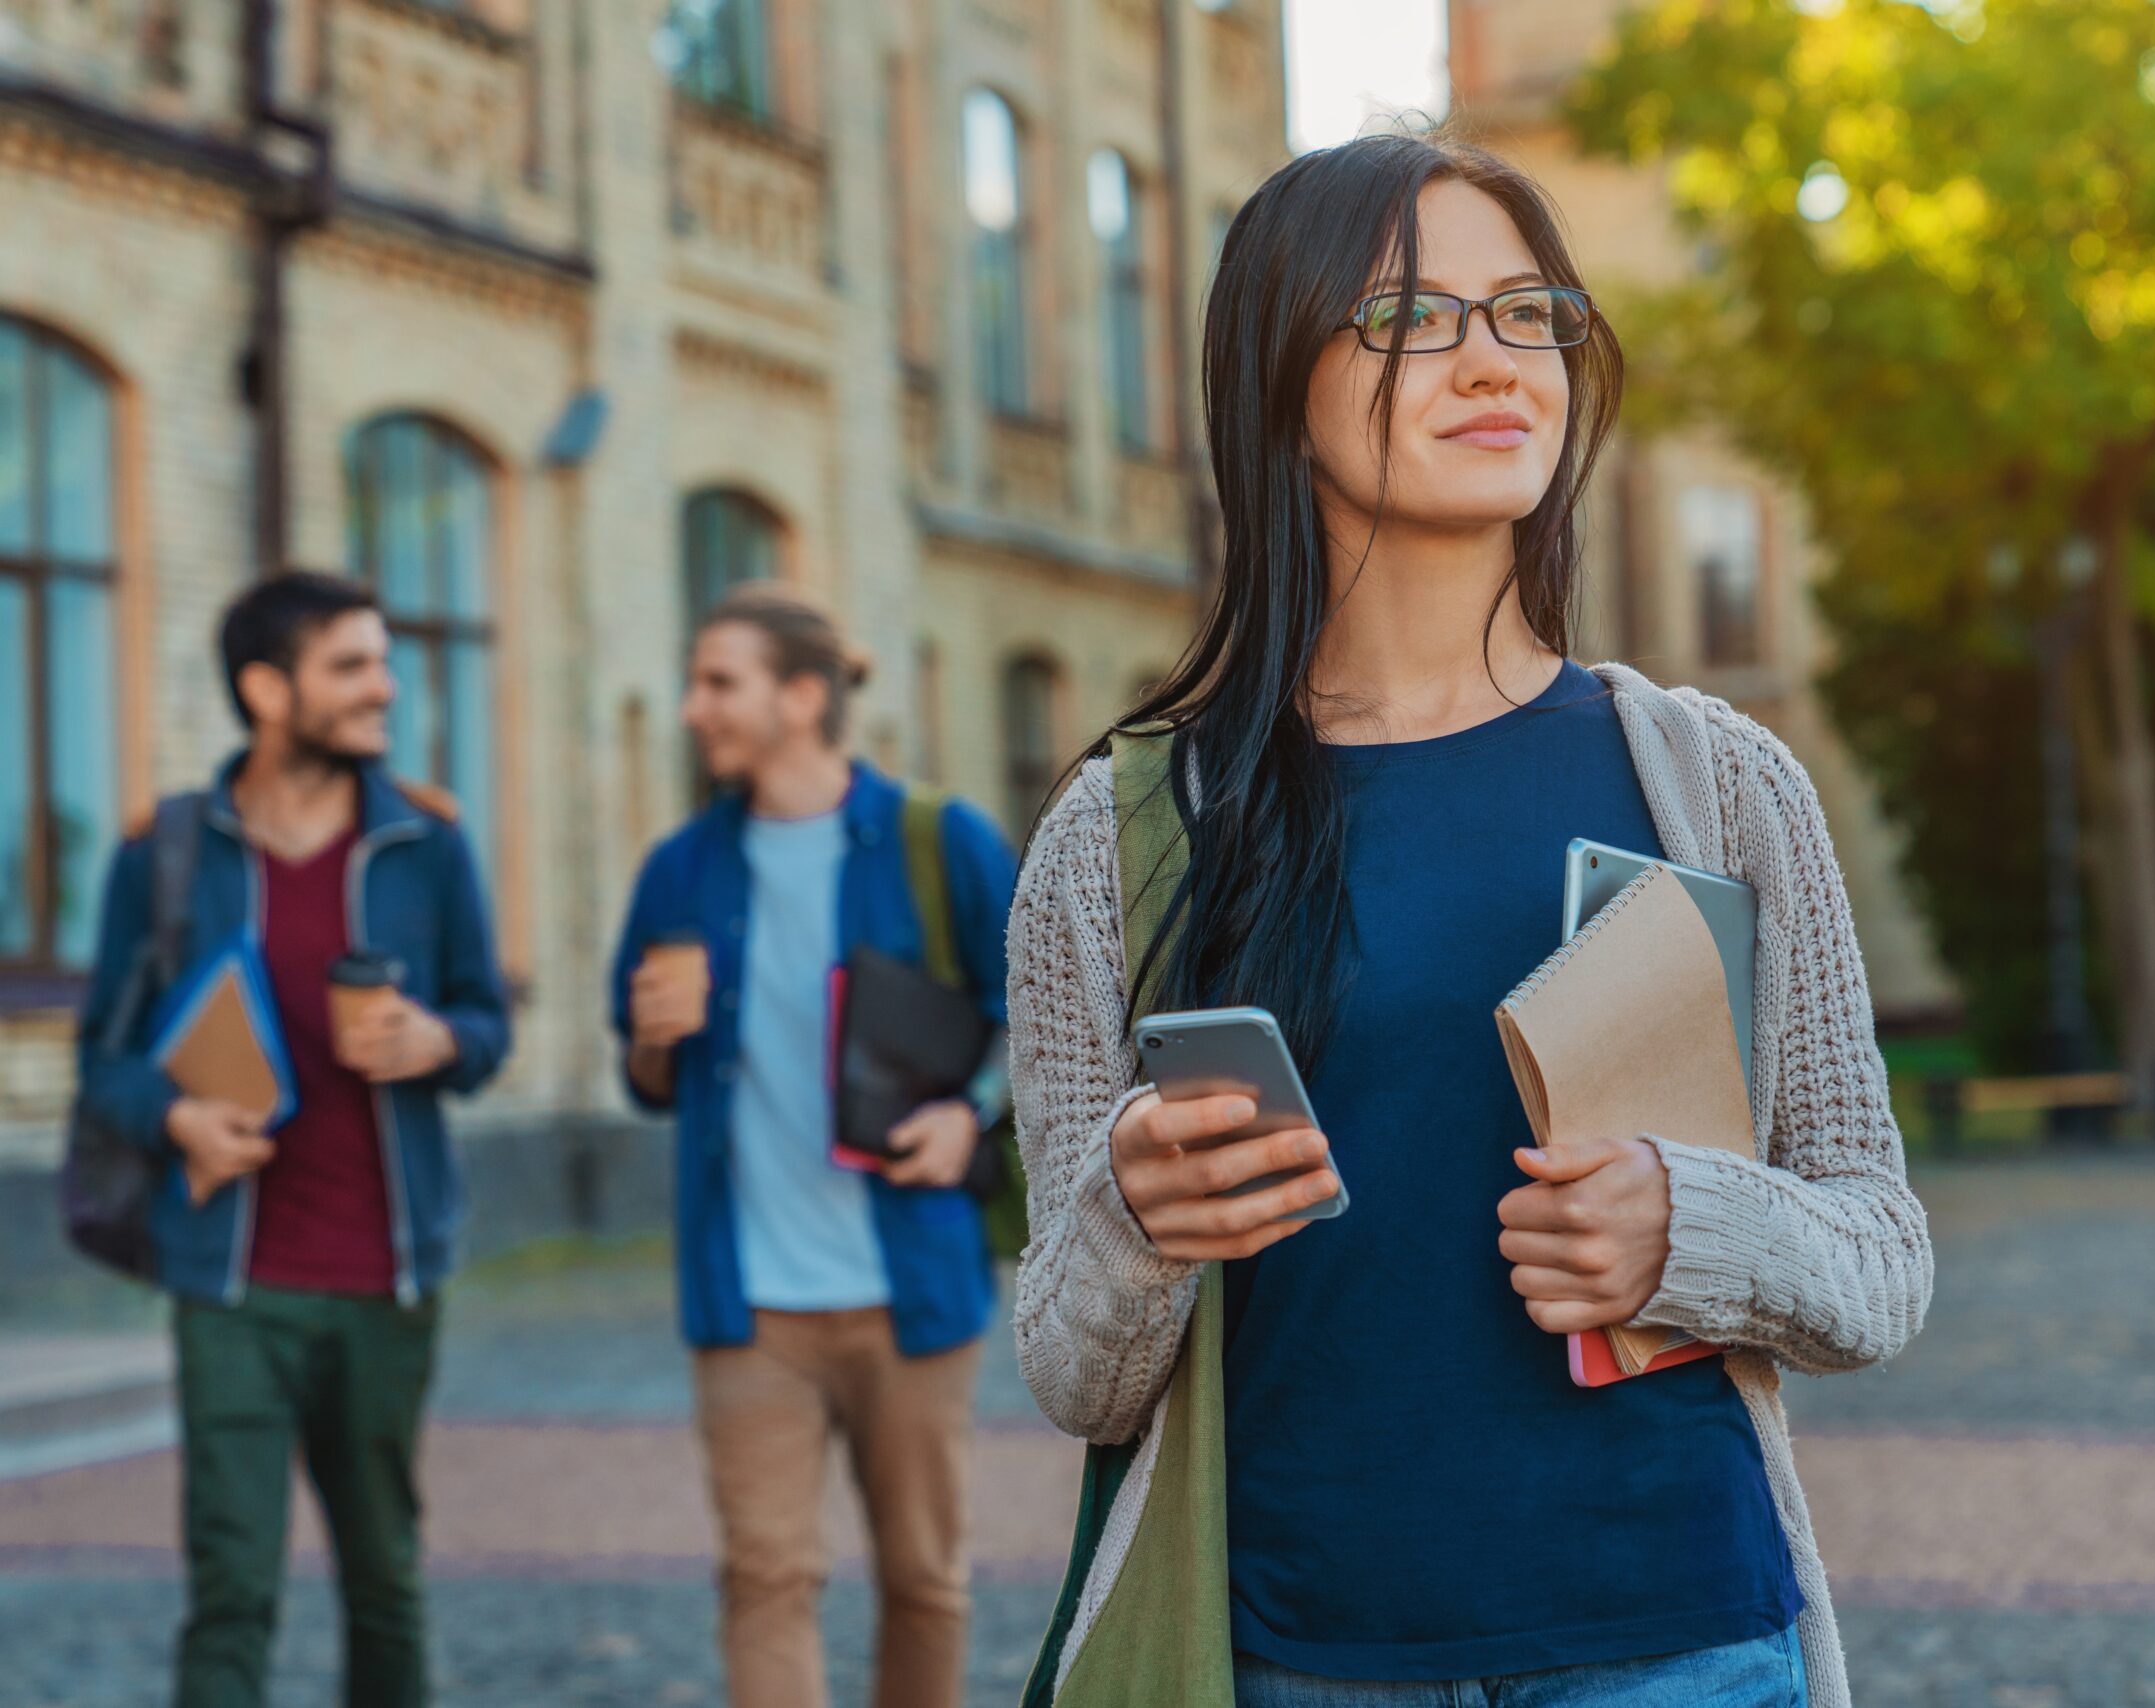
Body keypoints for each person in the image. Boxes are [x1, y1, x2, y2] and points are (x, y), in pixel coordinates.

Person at [1007, 133, 1935, 1708]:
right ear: (1274, 386)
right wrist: (1137, 1219)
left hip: (1682, 1644)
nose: (1493, 360)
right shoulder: (1125, 835)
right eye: (1409, 320)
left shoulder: (1712, 779)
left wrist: (1690, 1227)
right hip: (1298, 1657)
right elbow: (1074, 1371)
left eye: (1527, 313)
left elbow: (1882, 1257)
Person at [74, 570, 513, 1708]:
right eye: (353, 666)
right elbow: (104, 1061)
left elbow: (487, 1022)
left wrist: (438, 1039)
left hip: (388, 1275)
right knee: (229, 1586)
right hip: (231, 1279)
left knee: (385, 1582)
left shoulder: (427, 843)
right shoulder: (165, 852)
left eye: (384, 660)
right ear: (268, 690)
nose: (387, 686)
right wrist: (174, 1117)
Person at [609, 583, 1017, 1708]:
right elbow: (645, 1081)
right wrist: (653, 1041)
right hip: (751, 1304)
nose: (694, 708)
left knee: (925, 1580)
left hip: (912, 1286)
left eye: (718, 683)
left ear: (799, 696)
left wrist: (969, 1107)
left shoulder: (941, 841)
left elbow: (1042, 1010)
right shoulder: (681, 869)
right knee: (764, 1574)